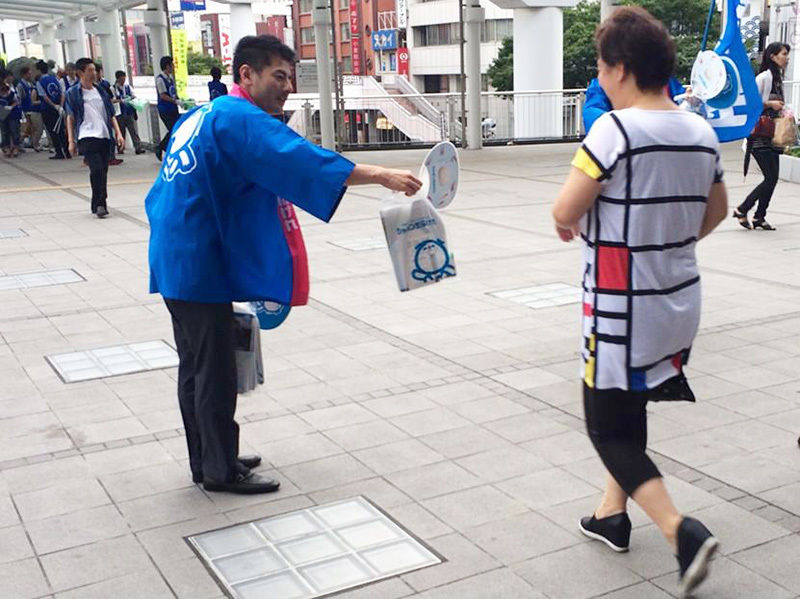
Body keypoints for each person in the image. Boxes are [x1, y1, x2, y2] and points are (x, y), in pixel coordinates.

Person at [146, 35, 421, 495]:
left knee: (196, 366)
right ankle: (218, 469)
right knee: (213, 369)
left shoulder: (204, 114)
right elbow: (299, 159)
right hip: (197, 261)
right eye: (278, 76)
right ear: (246, 75)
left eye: (290, 77)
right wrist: (382, 174)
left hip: (180, 254)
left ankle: (210, 456)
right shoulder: (238, 116)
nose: (287, 86)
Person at [551, 8, 728, 597]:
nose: (599, 79)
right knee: (630, 409)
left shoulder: (615, 130)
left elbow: (564, 210)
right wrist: (665, 244)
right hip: (677, 298)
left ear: (621, 69)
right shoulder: (701, 130)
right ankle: (611, 515)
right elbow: (718, 210)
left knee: (606, 428)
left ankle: (682, 531)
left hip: (620, 305)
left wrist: (572, 221)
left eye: (601, 68)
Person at [735, 42, 790, 231]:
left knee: (772, 178)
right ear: (773, 56)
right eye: (784, 54)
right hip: (759, 135)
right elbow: (750, 103)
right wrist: (769, 104)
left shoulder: (777, 78)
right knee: (771, 177)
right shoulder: (764, 77)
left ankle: (760, 216)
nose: (787, 57)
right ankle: (743, 209)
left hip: (773, 135)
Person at [65, 58, 125, 219]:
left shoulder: (101, 91)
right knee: (97, 169)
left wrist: (118, 134)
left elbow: (111, 114)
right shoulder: (72, 93)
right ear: (80, 73)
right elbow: (70, 117)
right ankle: (100, 205)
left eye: (95, 70)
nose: (94, 73)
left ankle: (97, 202)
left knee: (103, 171)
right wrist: (71, 141)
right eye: (90, 70)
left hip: (104, 135)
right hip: (86, 135)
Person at [36, 60, 70, 159]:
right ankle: (67, 151)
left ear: (39, 70)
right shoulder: (55, 79)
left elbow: (44, 96)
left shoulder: (39, 82)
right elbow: (62, 93)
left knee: (52, 131)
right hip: (59, 108)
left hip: (47, 109)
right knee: (61, 130)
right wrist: (60, 105)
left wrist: (53, 105)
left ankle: (59, 152)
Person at [113, 70, 145, 155]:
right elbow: (111, 100)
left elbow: (133, 96)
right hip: (119, 113)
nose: (123, 81)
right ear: (118, 79)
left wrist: (131, 99)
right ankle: (120, 147)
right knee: (121, 131)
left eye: (124, 79)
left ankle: (138, 147)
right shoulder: (113, 88)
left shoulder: (128, 87)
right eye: (121, 79)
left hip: (129, 112)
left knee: (133, 131)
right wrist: (120, 101)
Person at [155, 56, 180, 161]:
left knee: (177, 128)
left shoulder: (170, 79)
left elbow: (172, 93)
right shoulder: (160, 80)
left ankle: (164, 147)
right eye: (171, 64)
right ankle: (161, 146)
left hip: (173, 109)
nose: (173, 67)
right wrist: (175, 101)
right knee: (173, 129)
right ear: (167, 66)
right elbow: (163, 96)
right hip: (165, 109)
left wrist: (180, 100)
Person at [17, 66, 43, 152]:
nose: (30, 75)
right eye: (28, 73)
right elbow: (19, 98)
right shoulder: (21, 85)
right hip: (26, 108)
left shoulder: (30, 83)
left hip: (32, 108)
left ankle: (28, 142)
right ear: (24, 74)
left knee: (31, 127)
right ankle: (20, 141)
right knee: (30, 126)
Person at [0, 70, 22, 157]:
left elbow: (16, 100)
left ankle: (16, 147)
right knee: (4, 131)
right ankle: (7, 147)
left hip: (12, 113)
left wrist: (11, 107)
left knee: (14, 130)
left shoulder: (9, 89)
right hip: (2, 114)